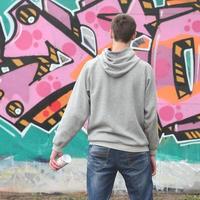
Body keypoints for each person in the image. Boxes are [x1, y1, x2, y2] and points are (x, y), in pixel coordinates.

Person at [49, 13, 159, 200]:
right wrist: (152, 152)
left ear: (110, 33)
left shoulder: (91, 68)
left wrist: (58, 145)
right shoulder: (144, 70)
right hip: (135, 150)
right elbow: (150, 116)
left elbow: (75, 111)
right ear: (134, 35)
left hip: (101, 148)